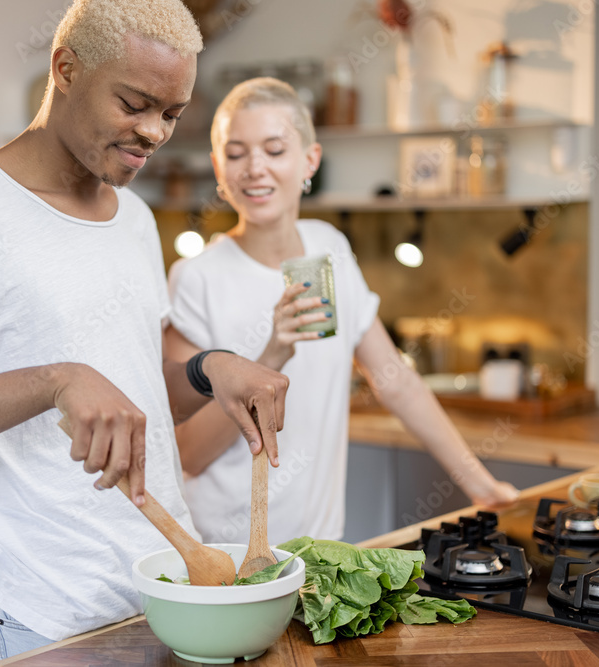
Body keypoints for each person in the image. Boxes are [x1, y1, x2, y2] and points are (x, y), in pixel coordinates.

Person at [0, 4, 290, 665]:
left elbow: (133, 393)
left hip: (159, 597)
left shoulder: (134, 217)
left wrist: (208, 369)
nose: (154, 131)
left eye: (172, 112)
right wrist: (55, 380)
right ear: (66, 68)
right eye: (135, 103)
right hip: (39, 616)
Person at [166, 77, 519, 547]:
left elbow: (395, 380)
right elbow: (190, 453)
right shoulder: (196, 278)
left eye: (274, 150)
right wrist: (271, 355)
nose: (254, 168)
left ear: (310, 160)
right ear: (217, 168)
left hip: (321, 551)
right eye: (235, 154)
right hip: (228, 552)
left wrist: (479, 484)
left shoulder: (328, 249)